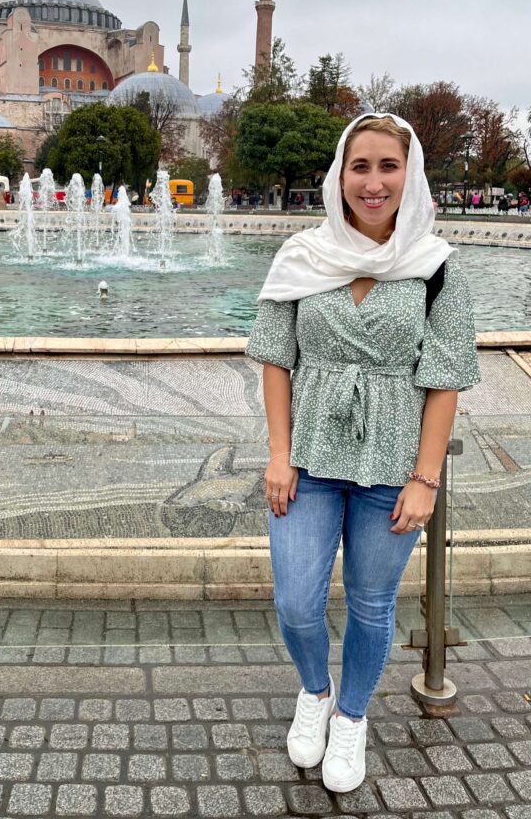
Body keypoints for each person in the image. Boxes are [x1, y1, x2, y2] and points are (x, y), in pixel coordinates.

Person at [246, 113, 480, 793]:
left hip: (391, 468)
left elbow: (444, 381)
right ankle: (315, 692)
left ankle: (352, 717)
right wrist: (279, 453)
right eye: (360, 166)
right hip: (309, 463)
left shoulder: (435, 268)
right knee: (295, 601)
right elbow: (275, 361)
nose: (373, 182)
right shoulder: (301, 256)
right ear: (338, 176)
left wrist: (426, 480)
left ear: (409, 176)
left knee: (373, 606)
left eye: (387, 166)